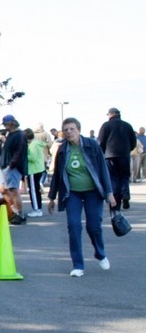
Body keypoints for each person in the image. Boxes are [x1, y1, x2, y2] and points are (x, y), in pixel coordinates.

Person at [47, 117, 116, 277]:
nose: (69, 132)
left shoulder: (92, 145)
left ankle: (100, 254)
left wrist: (109, 193)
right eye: (66, 130)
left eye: (72, 129)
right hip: (72, 193)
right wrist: (51, 198)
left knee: (94, 227)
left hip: (93, 192)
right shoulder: (62, 150)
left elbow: (103, 169)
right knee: (74, 227)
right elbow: (57, 175)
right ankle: (78, 265)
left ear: (79, 130)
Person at [97, 107, 137, 209]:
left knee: (113, 177)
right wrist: (127, 149)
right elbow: (133, 142)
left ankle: (115, 199)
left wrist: (103, 153)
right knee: (124, 176)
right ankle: (125, 195)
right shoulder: (127, 125)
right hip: (124, 155)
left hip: (110, 156)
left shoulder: (106, 125)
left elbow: (100, 142)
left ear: (110, 114)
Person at [0, 115, 28, 224]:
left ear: (12, 123)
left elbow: (19, 151)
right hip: (5, 165)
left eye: (6, 124)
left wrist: (11, 165)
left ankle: (19, 214)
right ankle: (15, 211)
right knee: (3, 189)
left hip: (12, 166)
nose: (5, 126)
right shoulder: (10, 134)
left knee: (13, 190)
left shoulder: (20, 135)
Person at [24, 128, 48, 217]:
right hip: (38, 168)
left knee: (33, 191)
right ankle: (38, 208)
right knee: (36, 190)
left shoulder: (32, 145)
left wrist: (24, 155)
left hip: (33, 170)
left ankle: (37, 209)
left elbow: (32, 158)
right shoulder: (36, 143)